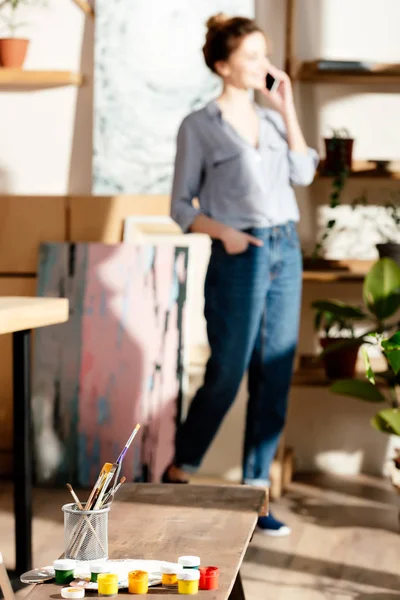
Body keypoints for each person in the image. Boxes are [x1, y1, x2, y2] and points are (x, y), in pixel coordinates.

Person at [164, 13, 319, 536]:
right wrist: (223, 233)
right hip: (239, 253)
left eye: (265, 55)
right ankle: (179, 471)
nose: (264, 65)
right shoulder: (199, 126)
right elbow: (180, 206)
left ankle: (255, 498)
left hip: (285, 250)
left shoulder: (275, 119)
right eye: (252, 57)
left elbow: (303, 173)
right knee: (228, 374)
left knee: (274, 374)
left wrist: (288, 106)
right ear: (223, 65)